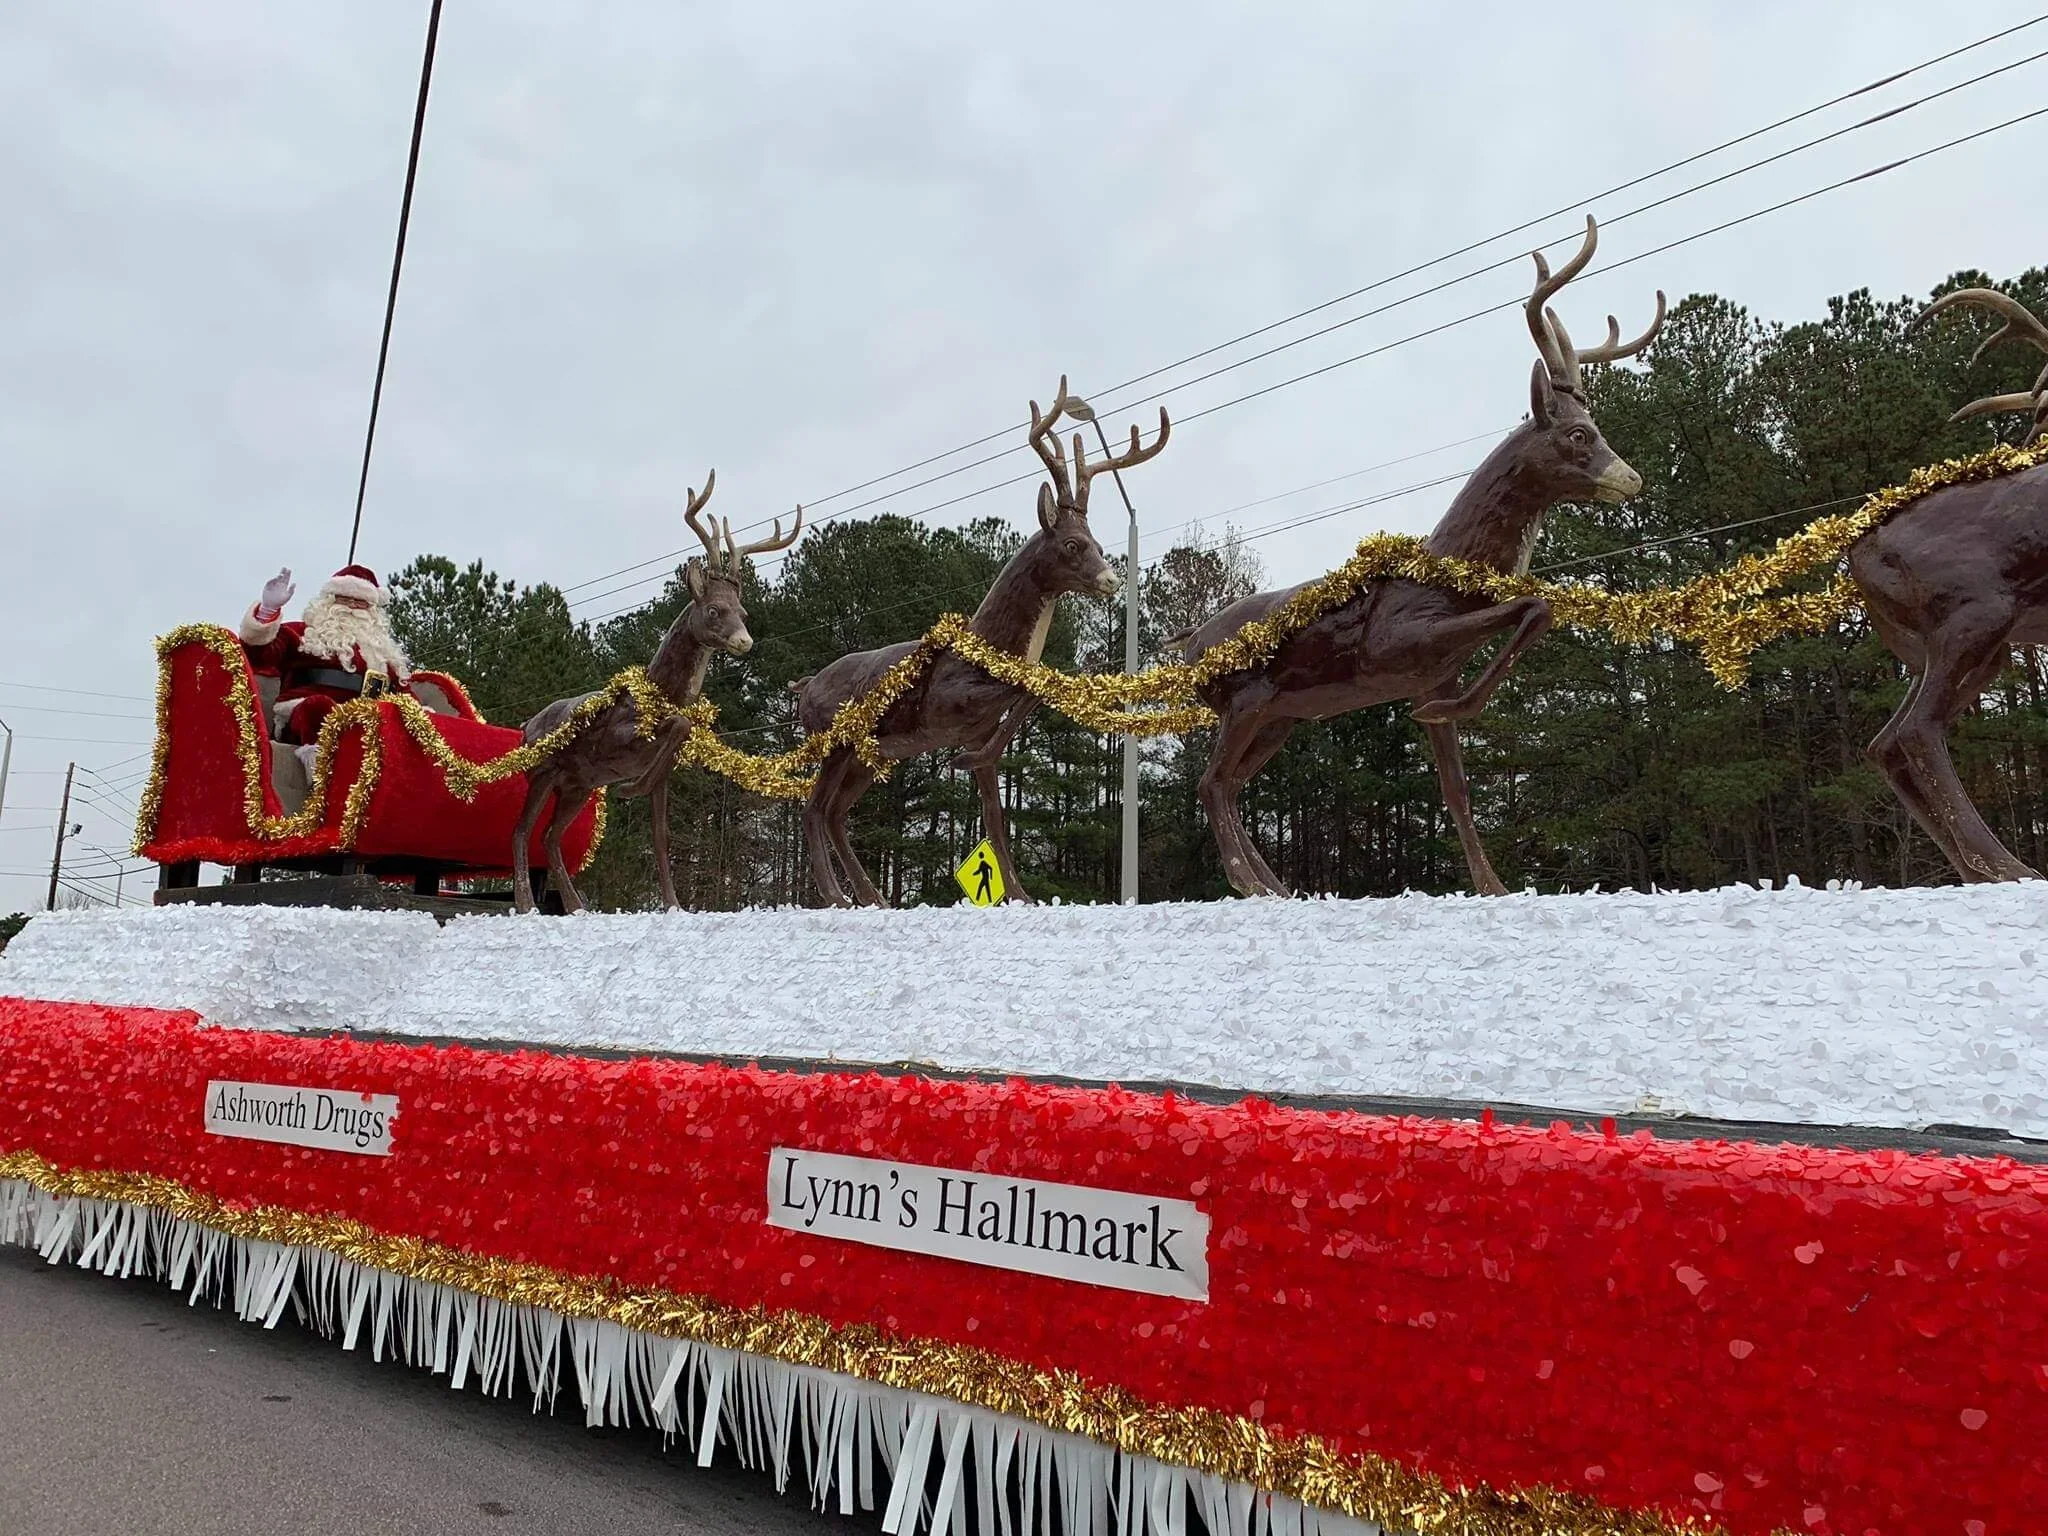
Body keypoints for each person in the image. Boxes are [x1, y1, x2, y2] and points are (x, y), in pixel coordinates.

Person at [239, 564, 414, 774]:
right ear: (328, 601)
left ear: (371, 610)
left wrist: (422, 716)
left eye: (360, 602)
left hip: (367, 723)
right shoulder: (302, 633)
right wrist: (268, 611)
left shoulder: (382, 651)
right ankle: (321, 773)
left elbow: (404, 694)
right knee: (318, 708)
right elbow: (261, 655)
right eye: (343, 599)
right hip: (306, 719)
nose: (351, 606)